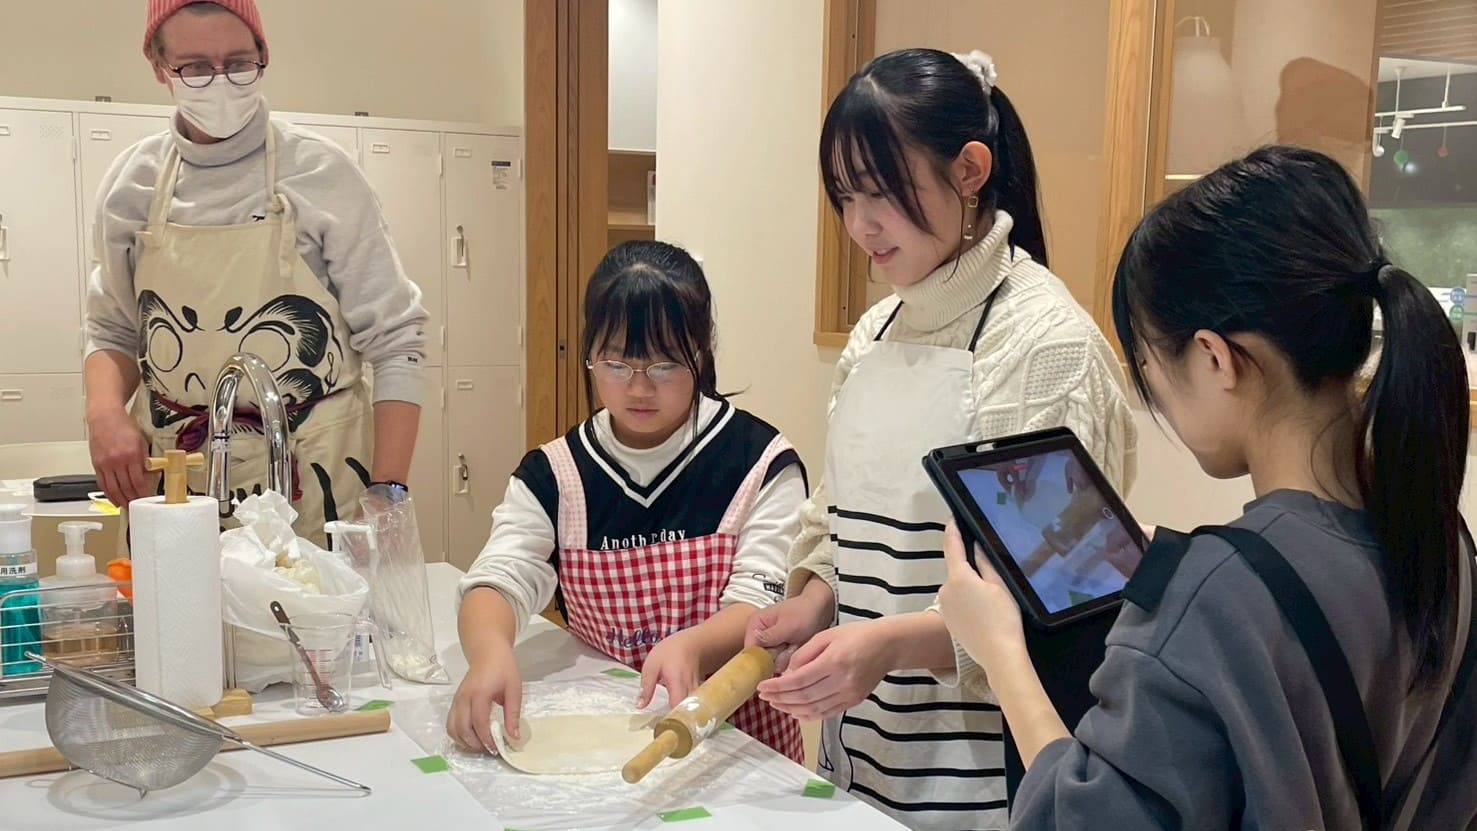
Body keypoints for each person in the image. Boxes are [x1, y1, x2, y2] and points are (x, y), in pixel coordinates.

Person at [938, 145, 1477, 829]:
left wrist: (1001, 652)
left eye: (1148, 362)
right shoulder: (1441, 540)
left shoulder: (1216, 591)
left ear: (1215, 357)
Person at [744, 48, 1136, 829]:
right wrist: (817, 601)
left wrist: (885, 646)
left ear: (969, 170)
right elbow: (839, 521)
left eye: (882, 192)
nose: (859, 225)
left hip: (989, 776)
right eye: (844, 196)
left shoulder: (1045, 345)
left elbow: (1058, 599)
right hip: (865, 752)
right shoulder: (873, 333)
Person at [84, 0, 427, 544]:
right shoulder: (133, 183)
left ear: (264, 57)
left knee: (305, 621)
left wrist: (387, 494)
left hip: (314, 476)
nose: (220, 82)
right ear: (158, 66)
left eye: (239, 62)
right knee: (177, 618)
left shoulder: (321, 172)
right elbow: (113, 330)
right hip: (178, 479)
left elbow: (395, 339)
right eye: (194, 67)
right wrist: (103, 412)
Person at [448, 241, 806, 762]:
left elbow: (763, 600)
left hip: (741, 742)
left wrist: (694, 646)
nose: (638, 388)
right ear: (589, 354)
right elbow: (500, 576)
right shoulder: (556, 474)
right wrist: (489, 654)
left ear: (701, 352)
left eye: (664, 365)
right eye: (616, 364)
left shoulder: (758, 461)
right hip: (611, 732)